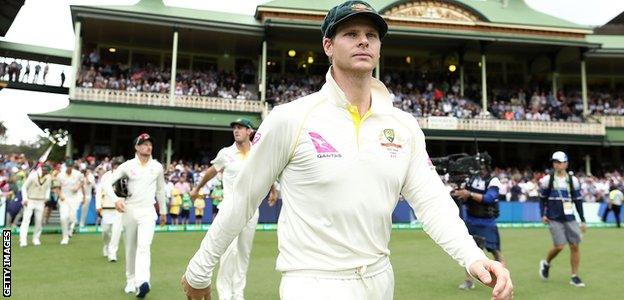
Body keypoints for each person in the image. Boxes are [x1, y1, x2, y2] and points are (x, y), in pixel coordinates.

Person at [181, 2, 513, 300]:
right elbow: (242, 198)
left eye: (372, 34)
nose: (363, 40)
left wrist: (472, 256)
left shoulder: (404, 125)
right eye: (351, 33)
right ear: (328, 45)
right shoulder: (290, 118)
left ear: (380, 47)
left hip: (380, 280)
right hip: (312, 283)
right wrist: (199, 269)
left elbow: (432, 203)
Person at [187, 118, 278, 300]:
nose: (236, 131)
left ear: (249, 131)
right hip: (229, 209)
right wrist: (197, 188)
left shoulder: (258, 152)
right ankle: (225, 294)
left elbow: (268, 172)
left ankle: (238, 294)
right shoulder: (226, 153)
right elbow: (212, 171)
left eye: (240, 128)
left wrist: (274, 190)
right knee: (229, 252)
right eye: (234, 128)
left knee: (243, 254)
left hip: (251, 211)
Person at [105, 133, 167, 298]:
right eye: (144, 144)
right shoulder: (127, 166)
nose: (148, 146)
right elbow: (108, 184)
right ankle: (130, 280)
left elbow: (161, 190)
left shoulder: (157, 167)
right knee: (131, 247)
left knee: (144, 247)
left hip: (148, 211)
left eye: (150, 144)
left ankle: (143, 282)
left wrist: (163, 211)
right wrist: (117, 199)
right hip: (130, 210)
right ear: (137, 147)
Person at [452, 153, 506, 290]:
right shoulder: (471, 179)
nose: (477, 167)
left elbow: (489, 198)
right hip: (471, 220)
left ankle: (503, 278)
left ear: (485, 164)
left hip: (487, 222)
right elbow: (465, 196)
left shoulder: (493, 181)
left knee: (495, 251)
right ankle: (469, 281)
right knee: (469, 251)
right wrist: (459, 194)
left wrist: (469, 194)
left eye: (480, 164)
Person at [539, 151, 587, 287]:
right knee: (559, 246)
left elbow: (578, 201)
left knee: (575, 245)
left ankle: (574, 276)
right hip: (554, 218)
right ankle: (546, 263)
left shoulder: (573, 180)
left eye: (559, 162)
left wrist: (582, 220)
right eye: (554, 162)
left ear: (566, 163)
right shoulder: (548, 180)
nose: (556, 164)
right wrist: (542, 214)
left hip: (570, 218)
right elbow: (542, 199)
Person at [95, 160, 124, 262]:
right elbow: (99, 191)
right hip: (107, 208)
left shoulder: (125, 178)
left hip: (119, 209)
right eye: (116, 167)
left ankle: (113, 253)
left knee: (116, 232)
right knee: (105, 231)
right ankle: (106, 245)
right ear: (112, 168)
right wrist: (98, 205)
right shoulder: (106, 177)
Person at [19, 165, 53, 247]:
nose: (46, 172)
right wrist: (25, 199)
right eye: (45, 171)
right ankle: (23, 240)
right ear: (42, 169)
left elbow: (48, 187)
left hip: (40, 201)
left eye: (47, 171)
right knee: (26, 220)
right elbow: (24, 187)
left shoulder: (48, 177)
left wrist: (47, 197)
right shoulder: (33, 175)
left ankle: (36, 238)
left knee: (39, 221)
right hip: (30, 200)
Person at [58, 160, 85, 244]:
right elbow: (56, 187)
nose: (69, 168)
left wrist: (77, 187)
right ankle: (65, 237)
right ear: (66, 166)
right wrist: (60, 195)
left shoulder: (77, 174)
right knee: (63, 217)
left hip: (74, 198)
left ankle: (70, 230)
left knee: (72, 218)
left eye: (71, 166)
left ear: (72, 166)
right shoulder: (60, 175)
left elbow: (82, 182)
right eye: (68, 166)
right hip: (64, 198)